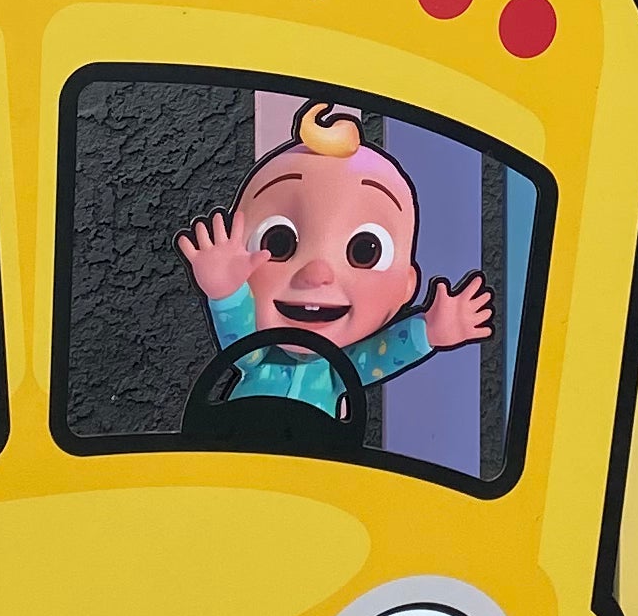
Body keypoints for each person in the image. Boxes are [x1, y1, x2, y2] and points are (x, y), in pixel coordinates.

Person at [178, 99, 494, 418]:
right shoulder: (257, 357)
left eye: (364, 251)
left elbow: (376, 358)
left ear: (406, 285)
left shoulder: (338, 370)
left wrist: (427, 332)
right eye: (279, 242)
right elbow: (242, 353)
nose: (317, 274)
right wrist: (226, 293)